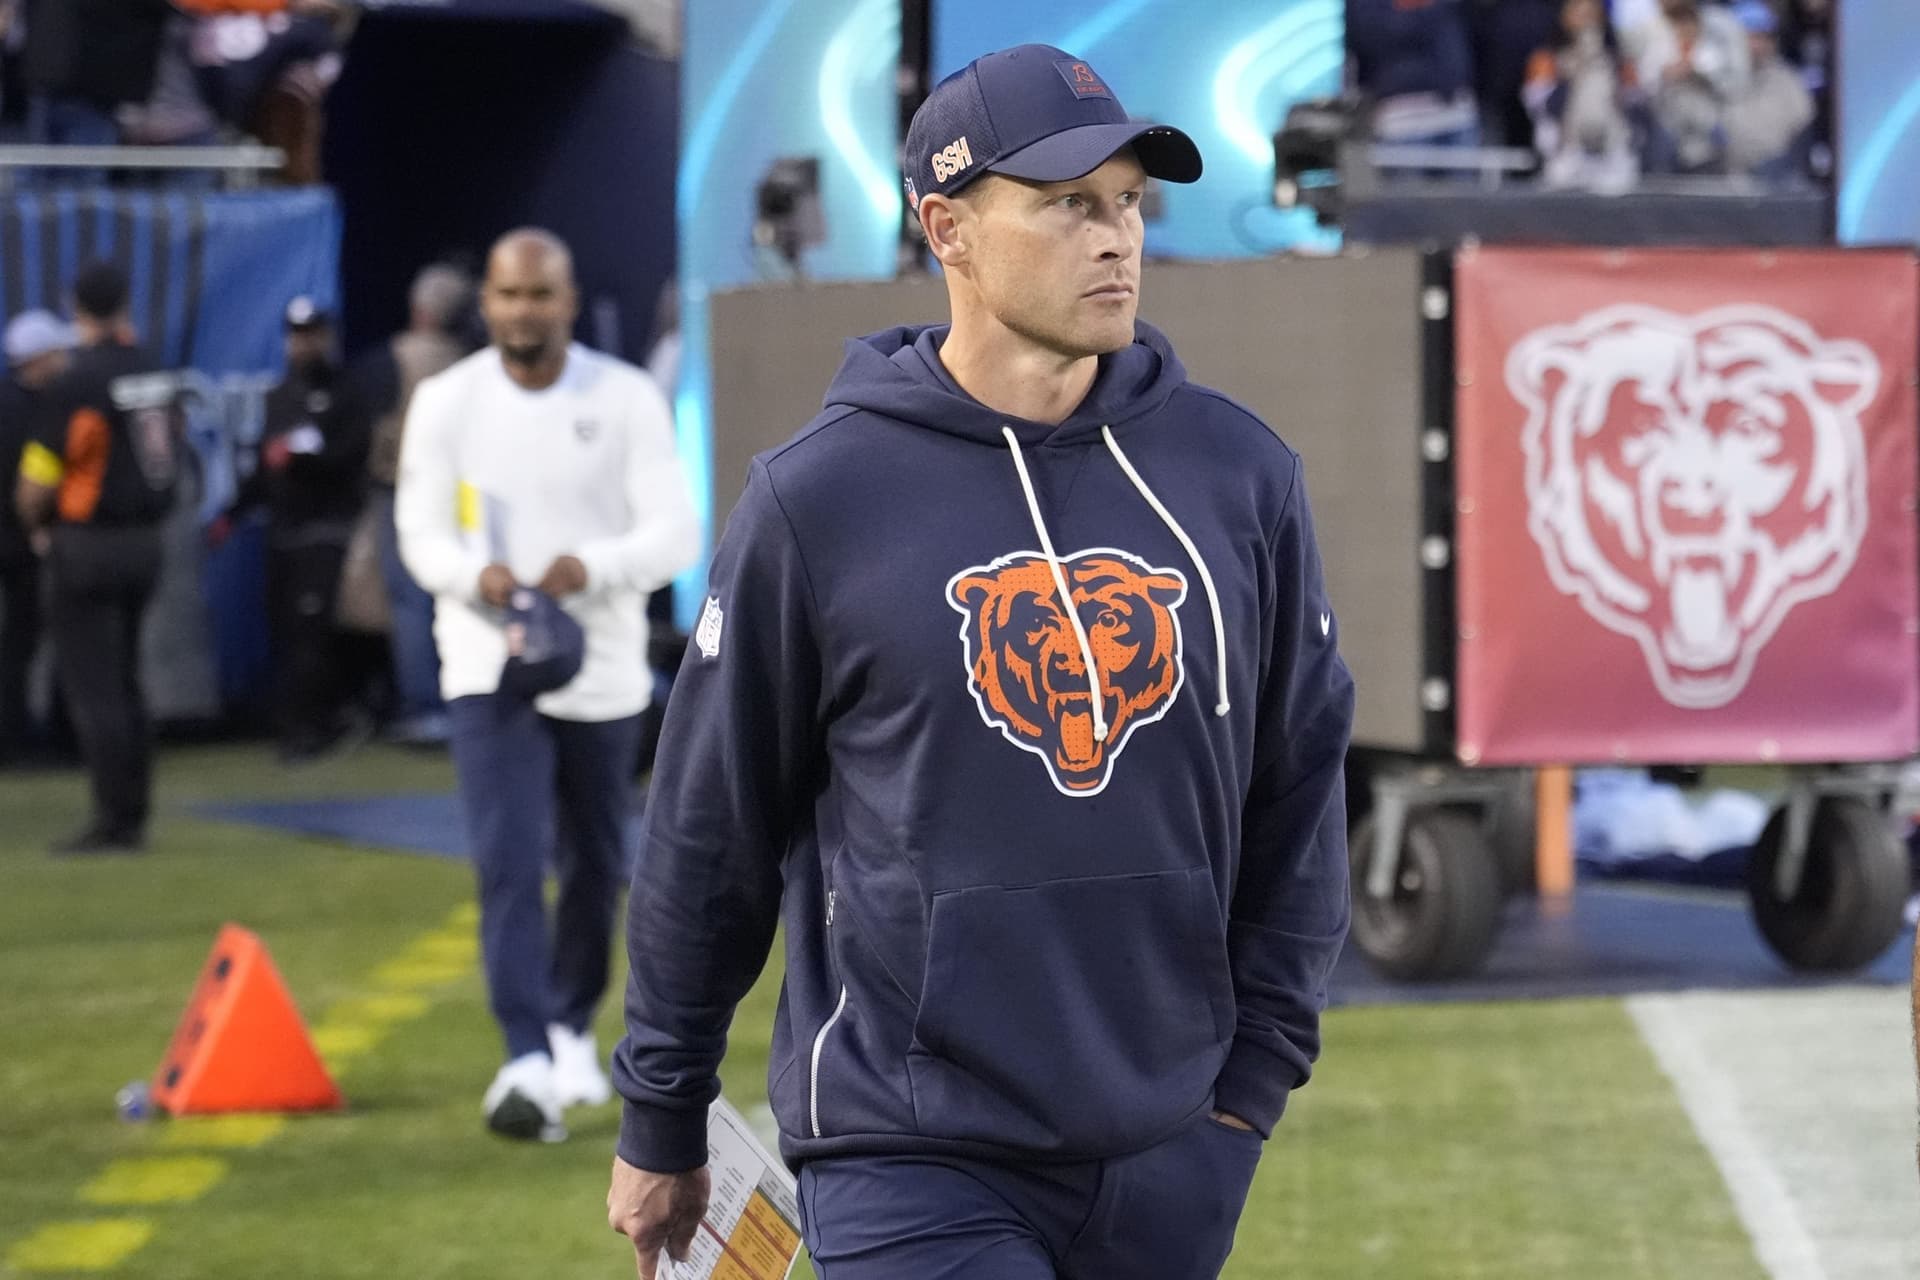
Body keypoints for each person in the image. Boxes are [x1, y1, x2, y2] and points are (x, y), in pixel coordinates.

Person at [607, 44, 1356, 1280]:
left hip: (1174, 1149)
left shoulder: (1241, 475)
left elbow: (1302, 787)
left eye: (1127, 202)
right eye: (1067, 205)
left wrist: (1248, 1091)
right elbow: (709, 827)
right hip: (908, 1149)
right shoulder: (818, 500)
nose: (1116, 240)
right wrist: (661, 1108)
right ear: (946, 228)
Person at [396, 228, 699, 1143]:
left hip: (601, 669)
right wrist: (478, 580)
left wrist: (587, 568)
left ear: (568, 302)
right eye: (506, 294)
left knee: (598, 862)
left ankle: (570, 1026)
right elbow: (421, 533)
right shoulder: (447, 402)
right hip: (488, 666)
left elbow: (676, 534)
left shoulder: (625, 397)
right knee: (508, 857)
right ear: (485, 303)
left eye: (539, 295)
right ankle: (524, 1054)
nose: (522, 311)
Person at [14, 261, 181, 854]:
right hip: (147, 540)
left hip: (88, 542)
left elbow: (39, 476)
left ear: (75, 308)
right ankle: (135, 810)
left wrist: (36, 524)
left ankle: (114, 820)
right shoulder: (153, 370)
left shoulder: (77, 380)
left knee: (95, 687)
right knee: (129, 680)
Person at [228, 297, 373, 761]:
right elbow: (263, 467)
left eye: (312, 335)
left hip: (326, 530)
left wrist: (303, 459)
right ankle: (295, 723)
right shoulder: (280, 395)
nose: (304, 344)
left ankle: (314, 728)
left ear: (327, 337)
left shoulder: (348, 392)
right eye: (297, 335)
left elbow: (351, 457)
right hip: (283, 533)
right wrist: (231, 513)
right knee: (286, 633)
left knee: (314, 633)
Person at [357, 262, 473, 746]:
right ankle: (464, 701)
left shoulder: (394, 357)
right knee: (461, 593)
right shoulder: (474, 360)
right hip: (464, 492)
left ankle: (425, 708)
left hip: (404, 490)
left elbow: (364, 427)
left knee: (410, 600)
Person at [0, 309, 73, 764]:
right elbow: (29, 486)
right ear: (38, 358)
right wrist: (36, 530)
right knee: (27, 641)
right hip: (27, 543)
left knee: (23, 642)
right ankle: (24, 739)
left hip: (29, 539)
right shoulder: (28, 409)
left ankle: (21, 737)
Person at [1722, 0, 1813, 183]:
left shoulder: (1788, 81)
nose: (1756, 46)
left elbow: (1803, 126)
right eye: (1750, 37)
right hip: (1726, 179)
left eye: (1763, 37)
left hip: (1777, 180)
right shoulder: (1717, 77)